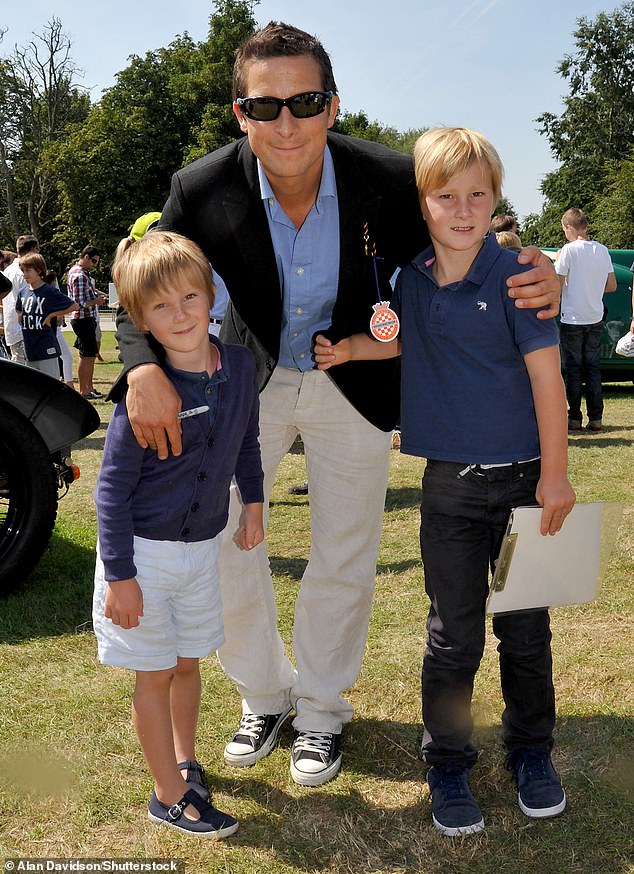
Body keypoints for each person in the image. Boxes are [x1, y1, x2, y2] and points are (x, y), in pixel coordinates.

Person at [111, 22, 562, 788]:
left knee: (345, 554)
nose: (286, 122)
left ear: (332, 106)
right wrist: (137, 370)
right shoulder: (200, 187)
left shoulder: (388, 177)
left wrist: (542, 265)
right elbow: (142, 279)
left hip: (352, 379)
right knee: (227, 548)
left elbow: (465, 228)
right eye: (265, 107)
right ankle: (265, 695)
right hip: (244, 387)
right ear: (239, 113)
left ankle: (321, 710)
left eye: (305, 101)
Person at [315, 127, 575, 835]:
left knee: (527, 633)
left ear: (496, 201)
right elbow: (394, 337)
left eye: (478, 196)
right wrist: (349, 348)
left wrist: (556, 476)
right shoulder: (408, 279)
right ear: (423, 204)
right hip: (449, 491)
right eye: (446, 196)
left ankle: (532, 755)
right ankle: (449, 765)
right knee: (452, 639)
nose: (463, 210)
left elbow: (548, 382)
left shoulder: (521, 276)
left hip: (527, 485)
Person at [93, 230, 264, 838]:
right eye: (161, 307)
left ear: (211, 295)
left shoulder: (240, 366)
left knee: (189, 663)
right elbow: (110, 491)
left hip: (202, 551)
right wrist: (120, 576)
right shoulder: (142, 396)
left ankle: (185, 761)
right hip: (143, 556)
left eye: (191, 297)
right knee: (155, 673)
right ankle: (166, 794)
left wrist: (255, 504)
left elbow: (246, 438)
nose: (181, 314)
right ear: (139, 319)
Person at [555, 208, 617, 432]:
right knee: (592, 368)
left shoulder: (568, 251)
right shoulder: (602, 250)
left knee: (573, 369)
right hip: (595, 315)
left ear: (569, 227)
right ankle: (596, 418)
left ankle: (574, 418)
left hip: (572, 316)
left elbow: (557, 284)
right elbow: (611, 286)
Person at [15, 252, 78, 378]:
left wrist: (52, 315)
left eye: (28, 270)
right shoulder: (23, 292)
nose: (25, 274)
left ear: (39, 270)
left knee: (49, 389)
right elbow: (19, 311)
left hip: (46, 348)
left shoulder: (49, 291)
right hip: (29, 349)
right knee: (33, 391)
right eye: (23, 270)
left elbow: (74, 305)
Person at [67, 245, 108, 399]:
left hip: (84, 319)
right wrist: (96, 301)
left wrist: (99, 294)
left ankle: (89, 387)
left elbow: (86, 293)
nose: (95, 265)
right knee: (86, 356)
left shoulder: (79, 272)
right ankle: (84, 390)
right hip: (83, 318)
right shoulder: (80, 275)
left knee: (90, 355)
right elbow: (79, 302)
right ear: (85, 257)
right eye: (94, 261)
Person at [3, 235, 40, 364]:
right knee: (27, 372)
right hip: (24, 329)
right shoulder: (24, 272)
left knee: (18, 366)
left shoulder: (7, 270)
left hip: (12, 329)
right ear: (33, 250)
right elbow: (29, 301)